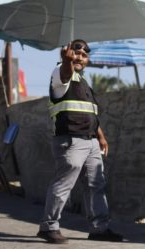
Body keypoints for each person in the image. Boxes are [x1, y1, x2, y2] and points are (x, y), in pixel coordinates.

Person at [36, 39, 123, 244]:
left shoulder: (83, 82)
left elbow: (90, 114)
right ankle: (48, 227)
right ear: (67, 54)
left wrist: (100, 136)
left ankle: (99, 228)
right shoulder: (60, 73)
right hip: (71, 140)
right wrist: (65, 62)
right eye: (76, 53)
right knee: (64, 183)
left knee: (96, 185)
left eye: (84, 55)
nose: (80, 58)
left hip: (91, 141)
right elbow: (66, 72)